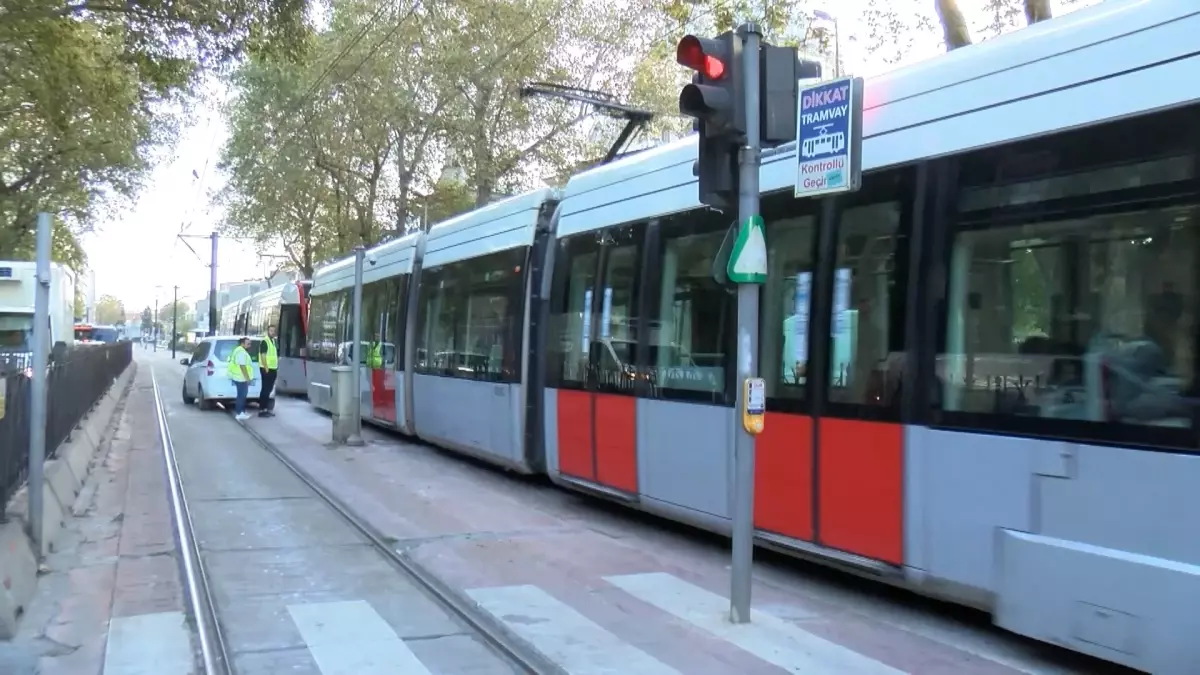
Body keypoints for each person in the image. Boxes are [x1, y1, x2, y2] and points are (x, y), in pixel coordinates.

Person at [228, 336, 255, 421]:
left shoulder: (239, 350)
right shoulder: (241, 352)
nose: (249, 345)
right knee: (241, 396)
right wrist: (248, 379)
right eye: (248, 344)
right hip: (241, 377)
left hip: (239, 377)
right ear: (242, 344)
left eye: (250, 344)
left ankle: (242, 412)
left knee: (242, 395)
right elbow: (242, 366)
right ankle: (239, 413)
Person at [258, 325, 279, 418]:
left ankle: (266, 409)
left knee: (269, 390)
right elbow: (263, 356)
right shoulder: (265, 341)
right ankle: (262, 410)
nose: (272, 332)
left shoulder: (274, 341)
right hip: (266, 369)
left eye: (274, 331)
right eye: (271, 331)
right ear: (268, 331)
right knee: (265, 390)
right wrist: (266, 368)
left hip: (273, 369)